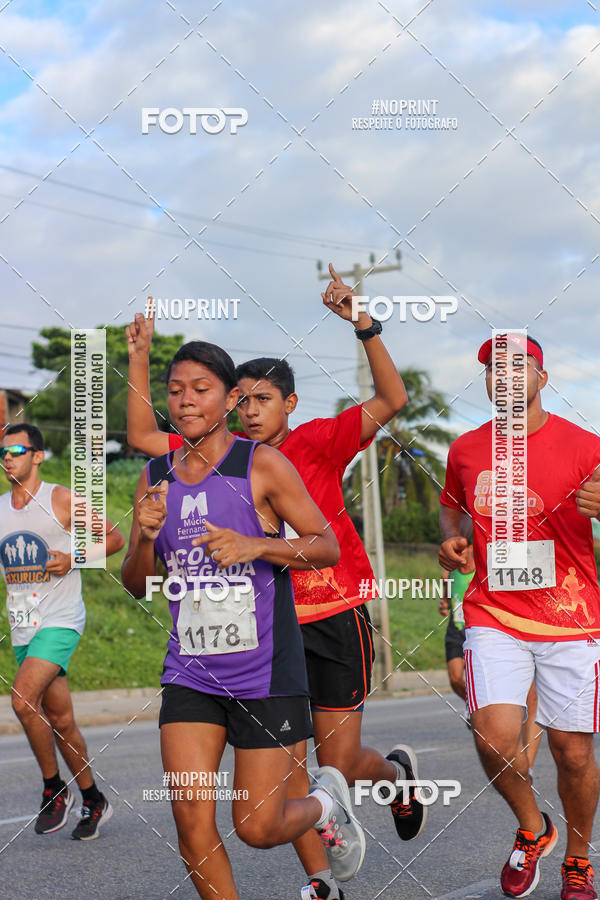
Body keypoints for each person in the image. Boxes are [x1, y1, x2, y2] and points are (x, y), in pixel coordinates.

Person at [125, 265, 427, 900]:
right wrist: (145, 534)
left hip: (316, 624)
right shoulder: (171, 468)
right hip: (203, 660)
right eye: (243, 397)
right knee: (217, 807)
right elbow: (138, 562)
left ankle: (381, 783)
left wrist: (364, 324)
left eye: (261, 398)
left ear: (285, 404)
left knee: (315, 779)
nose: (249, 408)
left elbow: (392, 403)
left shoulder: (305, 447)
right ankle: (322, 879)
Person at [121, 340, 366, 900]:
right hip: (190, 672)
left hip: (265, 673)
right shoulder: (156, 476)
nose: (185, 402)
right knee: (190, 820)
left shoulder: (263, 465)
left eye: (200, 391)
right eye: (176, 391)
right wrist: (145, 538)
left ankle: (327, 798)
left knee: (256, 827)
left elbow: (324, 547)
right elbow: (137, 583)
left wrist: (257, 546)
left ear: (229, 399)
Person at [439, 334, 600, 900]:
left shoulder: (587, 447)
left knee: (573, 752)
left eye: (518, 366)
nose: (504, 376)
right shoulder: (464, 451)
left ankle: (577, 859)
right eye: (492, 369)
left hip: (571, 616)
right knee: (492, 736)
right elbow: (451, 512)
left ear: (542, 377)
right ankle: (534, 828)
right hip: (494, 613)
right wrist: (450, 545)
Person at [0, 424, 125, 839]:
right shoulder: (1, 509)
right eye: (2, 453)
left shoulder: (62, 499)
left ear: (37, 456)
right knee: (61, 719)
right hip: (23, 624)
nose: (7, 458)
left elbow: (114, 537)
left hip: (61, 618)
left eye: (16, 450)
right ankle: (93, 798)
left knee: (21, 701)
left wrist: (73, 556)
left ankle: (54, 789)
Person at [439, 547, 542, 774]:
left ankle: (528, 768)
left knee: (531, 695)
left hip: (506, 625)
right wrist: (444, 604)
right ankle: (475, 705)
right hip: (458, 628)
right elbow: (444, 600)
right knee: (457, 678)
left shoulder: (489, 563)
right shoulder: (449, 573)